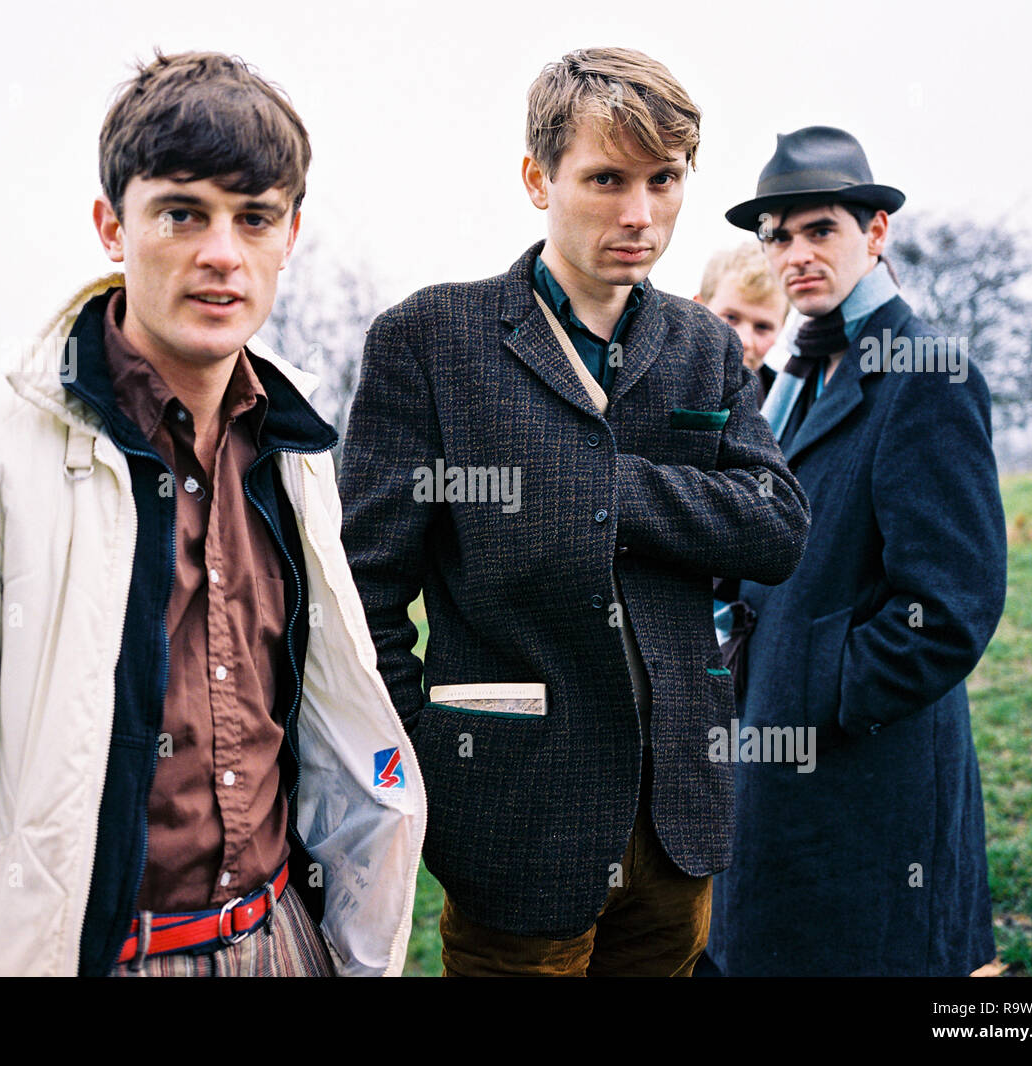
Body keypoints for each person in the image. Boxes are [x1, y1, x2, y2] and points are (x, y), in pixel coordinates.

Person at [0, 50, 425, 978]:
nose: (221, 252)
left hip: (284, 945)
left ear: (289, 236)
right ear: (112, 225)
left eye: (253, 218)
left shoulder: (295, 447)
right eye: (182, 212)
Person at [338, 47, 809, 977]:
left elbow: (776, 525)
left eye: (662, 180)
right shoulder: (430, 341)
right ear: (536, 177)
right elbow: (365, 596)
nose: (640, 215)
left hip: (677, 823)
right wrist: (428, 762)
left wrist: (613, 487)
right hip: (509, 826)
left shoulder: (705, 346)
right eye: (605, 179)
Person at [706, 125, 1006, 976]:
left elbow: (951, 611)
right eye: (778, 235)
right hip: (769, 766)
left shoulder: (927, 374)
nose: (794, 253)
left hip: (870, 779)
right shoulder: (791, 377)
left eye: (819, 230)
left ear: (875, 233)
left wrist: (822, 688)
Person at [695, 242, 789, 405]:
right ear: (697, 308)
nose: (744, 341)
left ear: (782, 329)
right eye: (731, 318)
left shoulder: (789, 407)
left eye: (762, 327)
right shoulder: (652, 381)